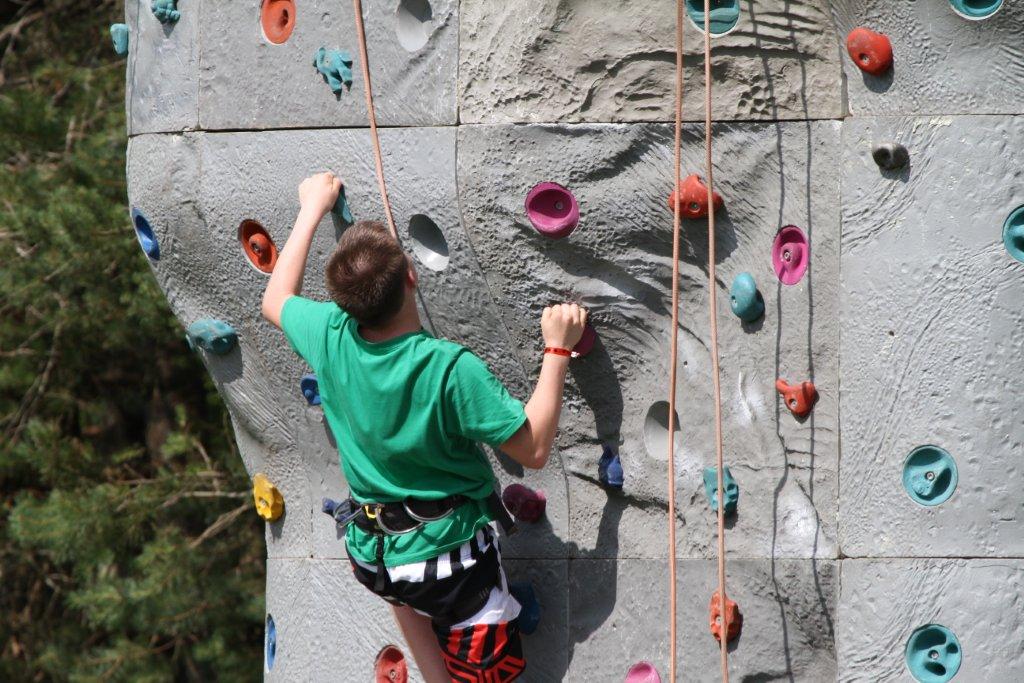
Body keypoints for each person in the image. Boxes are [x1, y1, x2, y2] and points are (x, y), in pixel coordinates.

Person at [261, 172, 587, 682]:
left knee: (411, 596)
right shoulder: (448, 370)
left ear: (344, 304)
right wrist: (557, 348)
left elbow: (274, 297)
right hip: (450, 570)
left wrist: (311, 207)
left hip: (374, 557)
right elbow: (536, 447)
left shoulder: (330, 335)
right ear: (411, 274)